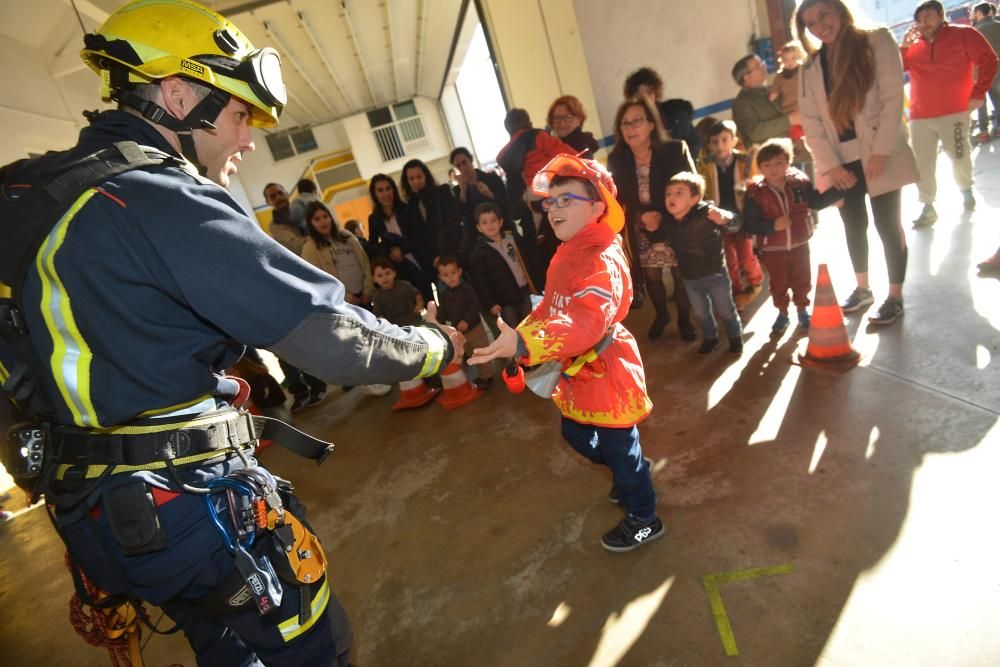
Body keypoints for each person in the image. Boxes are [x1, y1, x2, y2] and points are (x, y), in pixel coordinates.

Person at [0, 1, 463, 664]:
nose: (248, 139)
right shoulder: (159, 198)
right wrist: (434, 346)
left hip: (91, 520)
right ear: (177, 95)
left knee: (222, 644)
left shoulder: (20, 194)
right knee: (315, 649)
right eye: (241, 115)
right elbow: (332, 338)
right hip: (189, 514)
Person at [468, 154, 663, 553]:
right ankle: (629, 477)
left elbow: (587, 322)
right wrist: (520, 339)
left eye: (565, 200)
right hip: (575, 374)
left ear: (596, 208)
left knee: (619, 449)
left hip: (606, 373)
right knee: (577, 435)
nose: (553, 208)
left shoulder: (599, 258)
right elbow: (550, 307)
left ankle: (645, 518)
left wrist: (527, 343)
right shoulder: (568, 251)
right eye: (549, 202)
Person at [795, 0, 920, 326]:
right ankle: (863, 288)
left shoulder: (875, 40)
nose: (820, 26)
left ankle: (895, 296)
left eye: (824, 15)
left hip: (879, 153)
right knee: (853, 225)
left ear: (839, 9)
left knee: (887, 224)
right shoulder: (810, 68)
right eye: (810, 24)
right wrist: (831, 166)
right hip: (841, 162)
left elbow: (893, 98)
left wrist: (880, 151)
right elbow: (811, 123)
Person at [901, 0, 998, 225]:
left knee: (960, 156)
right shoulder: (913, 44)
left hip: (954, 111)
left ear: (941, 16)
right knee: (922, 163)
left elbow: (989, 59)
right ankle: (928, 205)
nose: (923, 22)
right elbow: (897, 70)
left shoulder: (963, 34)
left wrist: (978, 93)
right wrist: (904, 46)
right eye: (920, 18)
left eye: (929, 16)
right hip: (919, 116)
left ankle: (966, 190)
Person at [607, 98, 696, 341]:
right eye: (624, 124)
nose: (630, 128)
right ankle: (662, 315)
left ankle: (685, 320)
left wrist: (662, 215)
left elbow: (691, 187)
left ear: (651, 125)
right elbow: (619, 196)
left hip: (674, 220)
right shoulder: (617, 159)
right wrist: (642, 215)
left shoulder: (675, 150)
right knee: (652, 277)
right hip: (641, 225)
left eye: (636, 121)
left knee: (680, 274)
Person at [743, 139, 846, 334]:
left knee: (803, 279)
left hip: (800, 244)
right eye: (767, 165)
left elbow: (816, 201)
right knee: (778, 283)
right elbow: (750, 223)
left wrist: (840, 187)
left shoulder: (799, 183)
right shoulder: (755, 193)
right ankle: (782, 313)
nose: (773, 169)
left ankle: (802, 310)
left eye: (779, 163)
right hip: (773, 250)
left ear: (788, 163)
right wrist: (773, 225)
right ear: (760, 168)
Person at [659, 172, 744, 355]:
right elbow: (657, 236)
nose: (671, 197)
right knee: (701, 313)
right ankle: (710, 338)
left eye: (679, 192)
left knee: (726, 310)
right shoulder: (668, 221)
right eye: (668, 193)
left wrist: (725, 218)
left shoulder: (707, 213)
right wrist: (650, 228)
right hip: (690, 278)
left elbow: (735, 223)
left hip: (715, 275)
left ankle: (735, 337)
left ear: (694, 199)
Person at [698, 120, 763, 308]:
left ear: (734, 140)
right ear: (709, 145)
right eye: (714, 142)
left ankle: (756, 281)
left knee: (746, 255)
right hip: (719, 220)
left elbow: (755, 186)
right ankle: (736, 293)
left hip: (742, 218)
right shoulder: (704, 166)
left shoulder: (746, 161)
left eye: (724, 140)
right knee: (729, 259)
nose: (720, 146)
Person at [468, 202, 535, 329]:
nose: (490, 225)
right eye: (485, 222)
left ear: (501, 222)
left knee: (530, 326)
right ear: (479, 227)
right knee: (513, 331)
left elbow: (526, 261)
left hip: (523, 292)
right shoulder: (478, 253)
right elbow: (480, 282)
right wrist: (490, 303)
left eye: (493, 220)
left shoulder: (512, 239)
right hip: (503, 301)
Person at [368, 173, 433, 301]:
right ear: (374, 194)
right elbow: (372, 246)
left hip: (420, 262)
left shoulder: (406, 209)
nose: (386, 194)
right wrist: (390, 251)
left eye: (388, 188)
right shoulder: (374, 219)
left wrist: (402, 250)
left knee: (430, 303)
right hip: (398, 271)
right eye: (380, 190)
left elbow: (419, 236)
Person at [435, 257, 495, 390]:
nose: (451, 277)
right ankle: (482, 373)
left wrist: (467, 319)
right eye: (446, 275)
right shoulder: (444, 295)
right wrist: (439, 323)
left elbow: (475, 305)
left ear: (460, 272)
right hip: (460, 332)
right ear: (441, 278)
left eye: (453, 272)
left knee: (480, 350)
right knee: (469, 352)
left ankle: (487, 376)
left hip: (474, 328)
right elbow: (442, 312)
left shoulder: (467, 288)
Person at [301, 201, 374, 307]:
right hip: (342, 303)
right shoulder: (309, 248)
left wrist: (368, 289)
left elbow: (365, 262)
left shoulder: (346, 235)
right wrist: (347, 297)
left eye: (325, 216)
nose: (323, 221)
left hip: (365, 296)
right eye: (317, 219)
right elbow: (319, 280)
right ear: (310, 223)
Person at [623, 66, 703, 157]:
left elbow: (695, 142)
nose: (645, 100)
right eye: (639, 96)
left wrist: (683, 163)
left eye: (649, 93)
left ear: (656, 93)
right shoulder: (630, 125)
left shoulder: (675, 115)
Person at [400, 159, 463, 266]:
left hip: (454, 252)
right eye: (411, 179)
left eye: (419, 177)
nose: (416, 182)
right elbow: (417, 238)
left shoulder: (442, 192)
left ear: (426, 176)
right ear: (407, 181)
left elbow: (453, 222)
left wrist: (445, 254)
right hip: (434, 262)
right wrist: (433, 258)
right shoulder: (410, 206)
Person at [731, 54, 801, 148]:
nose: (764, 66)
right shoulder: (742, 103)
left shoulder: (771, 90)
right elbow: (754, 132)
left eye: (762, 62)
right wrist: (789, 120)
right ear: (746, 77)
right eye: (758, 66)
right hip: (769, 156)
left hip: (794, 145)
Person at [450, 147, 509, 254]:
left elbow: (506, 205)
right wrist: (463, 191)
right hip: (478, 238)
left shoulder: (491, 178)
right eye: (458, 166)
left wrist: (490, 194)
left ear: (471, 160)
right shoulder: (457, 190)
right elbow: (458, 216)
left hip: (502, 230)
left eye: (464, 162)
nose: (463, 167)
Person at [971, 2, 1000, 142]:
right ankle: (999, 128)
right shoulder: (998, 24)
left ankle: (983, 132)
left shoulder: (974, 31)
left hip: (981, 74)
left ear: (979, 13)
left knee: (981, 104)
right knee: (998, 100)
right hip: (998, 71)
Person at [371, 256, 424, 328]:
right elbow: (378, 314)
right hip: (396, 330)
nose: (385, 278)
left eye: (387, 273)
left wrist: (419, 304)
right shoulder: (377, 296)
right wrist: (384, 323)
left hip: (415, 323)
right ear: (374, 279)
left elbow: (417, 294)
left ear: (394, 273)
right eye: (380, 276)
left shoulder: (404, 285)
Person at [264, 182, 307, 255]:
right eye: (273, 196)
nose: (278, 197)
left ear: (287, 194)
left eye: (280, 193)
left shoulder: (305, 209)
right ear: (268, 202)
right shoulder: (275, 227)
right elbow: (298, 248)